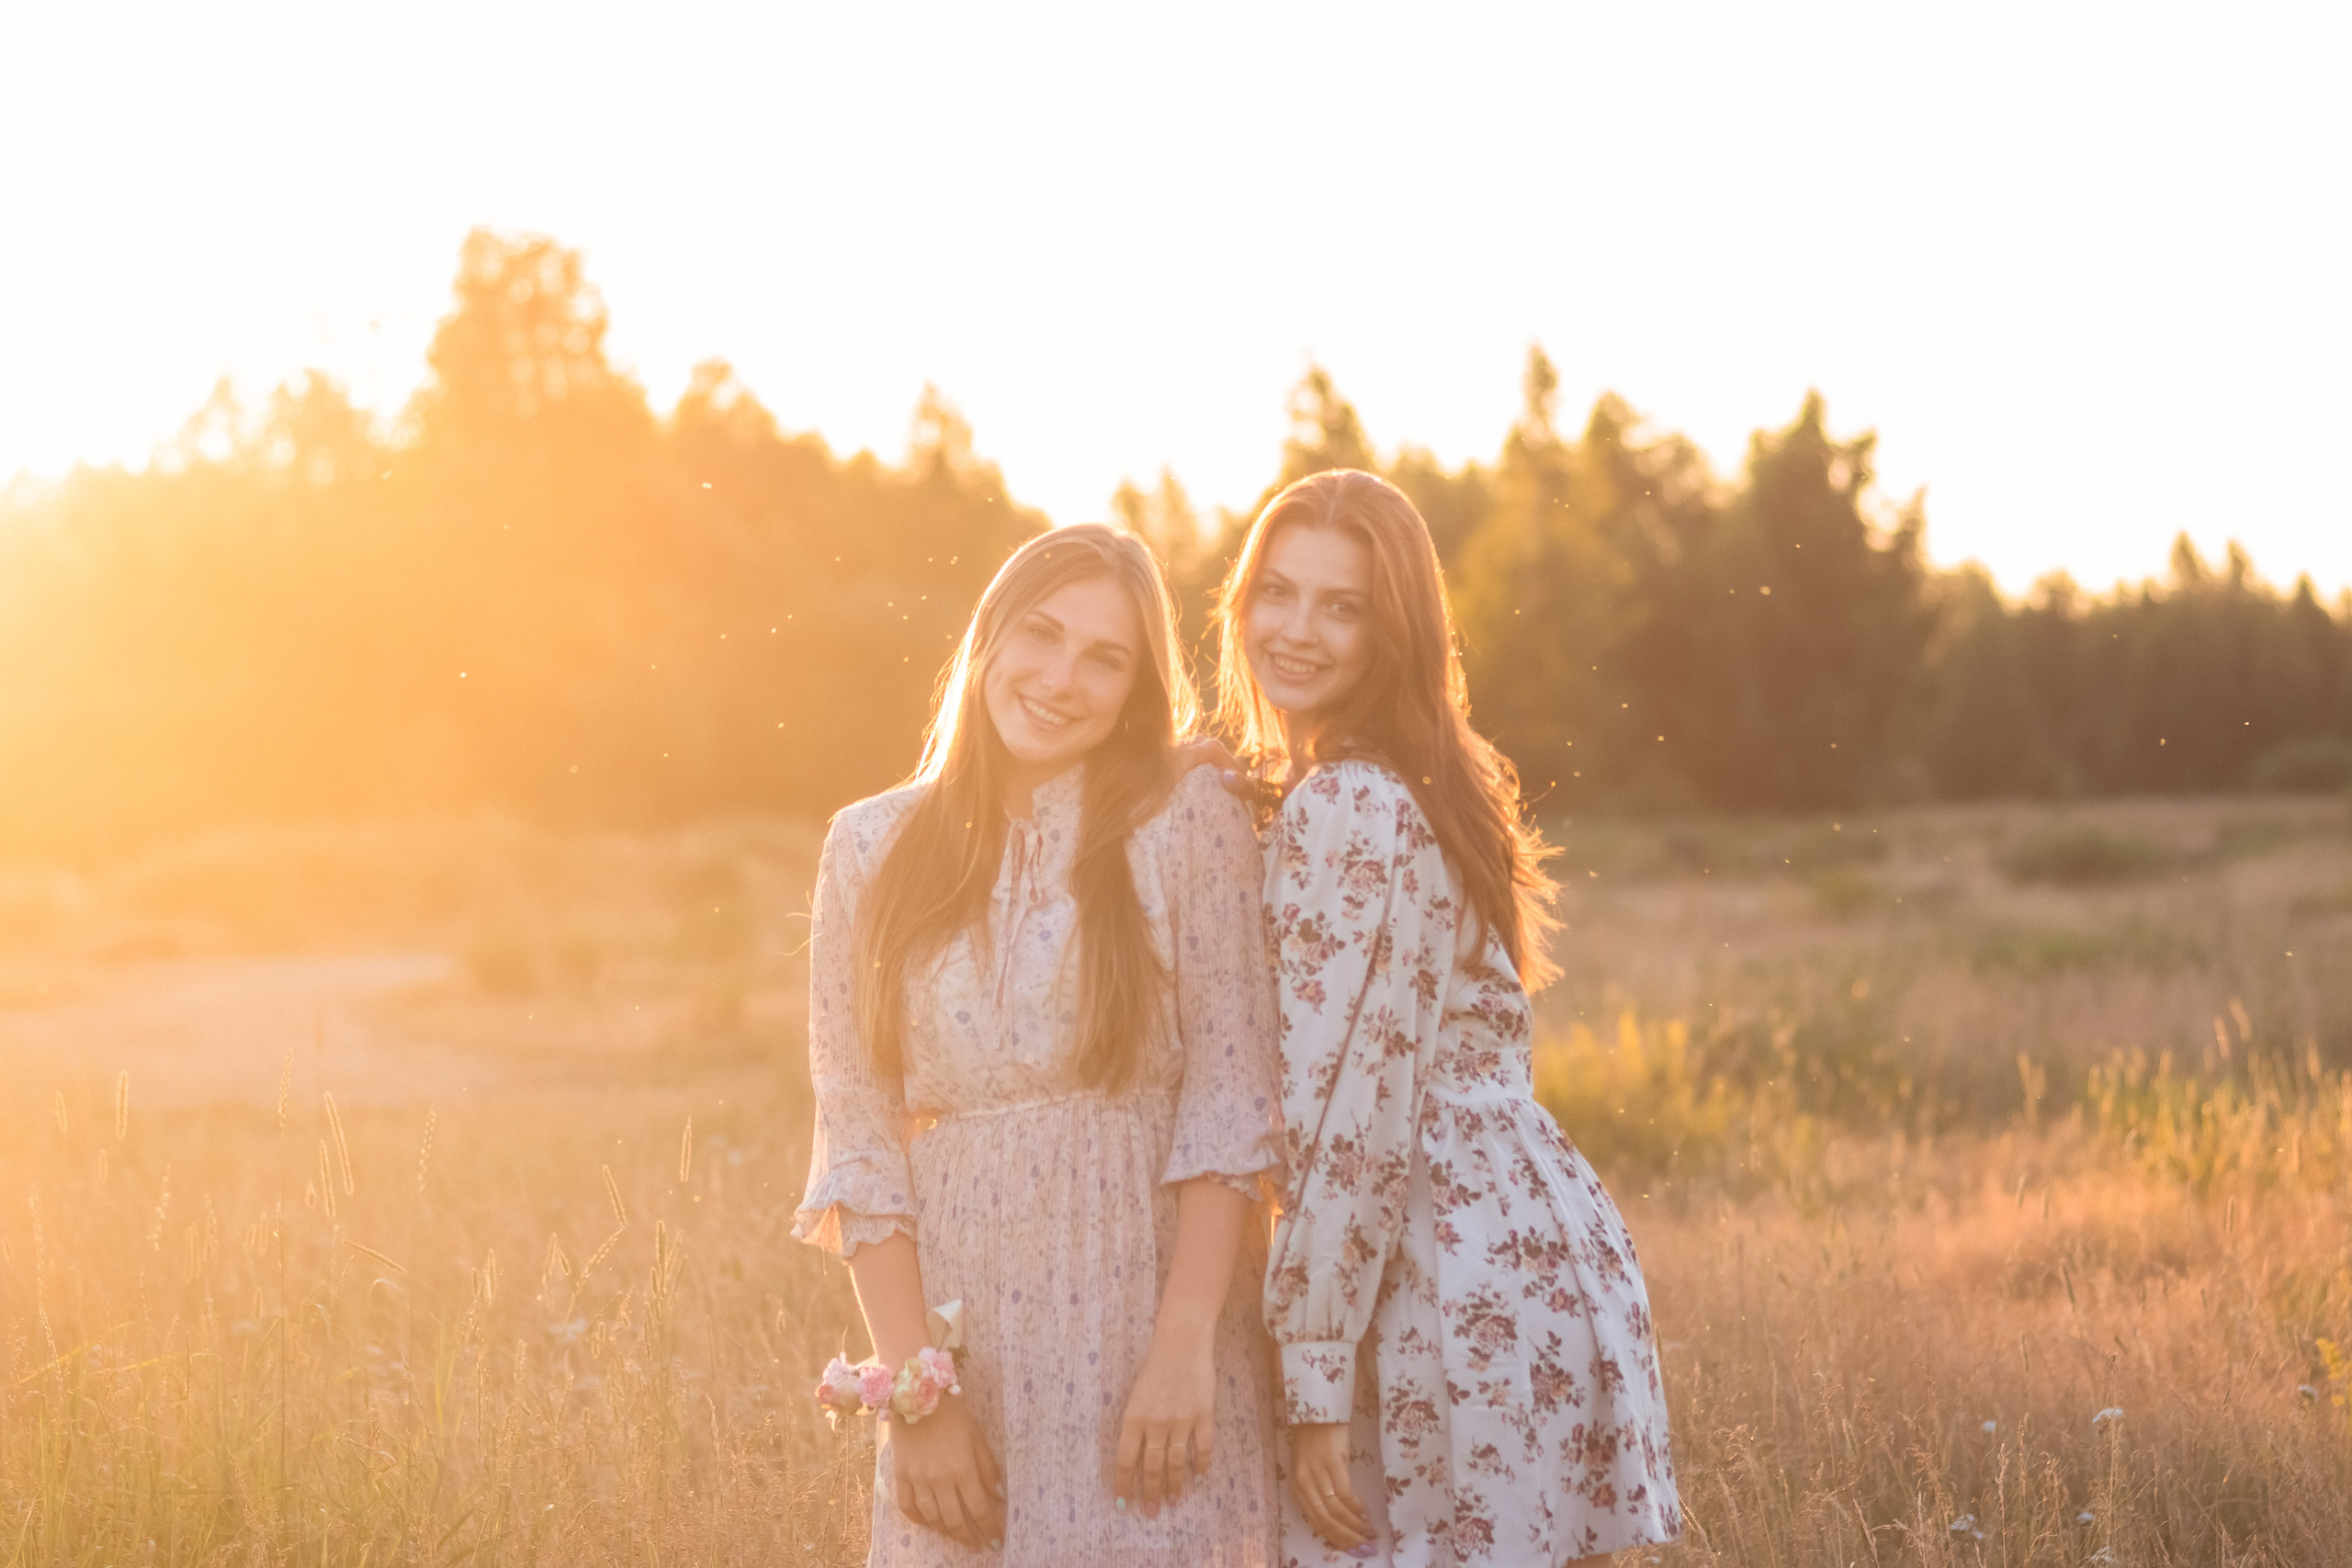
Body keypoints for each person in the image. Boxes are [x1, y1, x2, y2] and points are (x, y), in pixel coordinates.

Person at [793, 524, 1284, 1567]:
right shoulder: (869, 846)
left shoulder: (1185, 818)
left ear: (1137, 685)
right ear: (987, 640)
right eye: (1042, 635)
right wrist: (915, 1394)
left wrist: (1186, 1346)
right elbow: (858, 1132)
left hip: (1151, 1326)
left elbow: (1231, 1101)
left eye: (1105, 659)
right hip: (968, 1339)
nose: (1062, 679)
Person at [1215, 471, 1679, 1567]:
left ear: (1397, 628)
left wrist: (1316, 1379)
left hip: (1420, 1274)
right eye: (1275, 593)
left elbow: (1351, 1114)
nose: (1295, 630)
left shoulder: (1352, 802)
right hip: (1509, 1243)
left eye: (1343, 606)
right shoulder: (1407, 777)